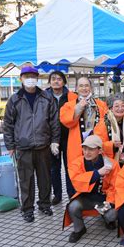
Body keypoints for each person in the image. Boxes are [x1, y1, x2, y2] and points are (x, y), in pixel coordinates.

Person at [3, 66, 60, 222]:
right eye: (27, 76)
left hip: (43, 146)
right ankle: (27, 209)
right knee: (26, 181)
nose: (30, 79)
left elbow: (54, 122)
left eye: (33, 76)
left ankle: (44, 204)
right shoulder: (14, 99)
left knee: (45, 178)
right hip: (23, 147)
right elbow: (8, 124)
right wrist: (10, 146)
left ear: (38, 78)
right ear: (21, 78)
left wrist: (55, 141)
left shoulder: (47, 97)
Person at [64, 135, 119, 243]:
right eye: (84, 148)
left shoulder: (112, 164)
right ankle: (79, 229)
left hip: (104, 199)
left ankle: (107, 219)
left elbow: (116, 186)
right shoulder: (76, 163)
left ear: (100, 150)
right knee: (73, 206)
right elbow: (76, 181)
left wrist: (109, 203)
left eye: (91, 149)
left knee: (112, 214)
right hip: (86, 198)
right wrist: (97, 173)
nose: (87, 152)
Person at [60, 77, 108, 179]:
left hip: (97, 145)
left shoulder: (101, 104)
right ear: (76, 88)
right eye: (81, 86)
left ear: (91, 87)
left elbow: (106, 124)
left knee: (98, 174)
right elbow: (67, 122)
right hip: (77, 145)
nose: (84, 88)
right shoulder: (69, 105)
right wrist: (78, 108)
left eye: (86, 85)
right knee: (77, 173)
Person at [45, 71, 77, 203]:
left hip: (69, 136)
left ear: (64, 82)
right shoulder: (44, 96)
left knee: (70, 167)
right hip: (51, 138)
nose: (56, 81)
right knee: (54, 168)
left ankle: (72, 194)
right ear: (50, 82)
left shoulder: (72, 96)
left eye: (59, 79)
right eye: (53, 79)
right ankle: (57, 195)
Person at [94, 93, 124, 168]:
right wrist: (112, 145)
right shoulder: (103, 123)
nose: (120, 108)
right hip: (107, 162)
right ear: (110, 108)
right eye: (116, 106)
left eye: (123, 106)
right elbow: (97, 144)